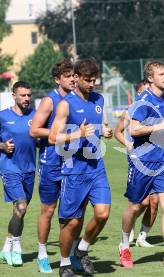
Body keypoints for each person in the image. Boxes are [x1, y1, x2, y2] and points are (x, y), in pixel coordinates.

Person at [49, 58, 113, 277]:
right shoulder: (66, 103)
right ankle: (65, 263)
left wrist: (104, 130)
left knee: (103, 214)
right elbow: (52, 137)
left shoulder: (99, 99)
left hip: (96, 168)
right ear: (75, 78)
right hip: (73, 170)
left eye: (95, 79)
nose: (92, 84)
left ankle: (82, 248)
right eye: (88, 80)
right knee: (72, 222)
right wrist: (77, 133)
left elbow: (96, 126)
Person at [120, 61, 164, 268]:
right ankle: (124, 246)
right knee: (134, 206)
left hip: (163, 160)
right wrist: (160, 126)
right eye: (161, 74)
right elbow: (134, 130)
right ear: (150, 78)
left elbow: (160, 127)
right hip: (142, 162)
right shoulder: (142, 101)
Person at [29, 60, 83, 273]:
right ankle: (42, 253)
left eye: (74, 75)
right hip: (51, 162)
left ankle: (68, 255)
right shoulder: (50, 101)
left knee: (71, 213)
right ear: (57, 79)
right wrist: (59, 134)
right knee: (49, 209)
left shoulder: (78, 99)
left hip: (74, 162)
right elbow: (34, 130)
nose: (72, 78)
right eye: (68, 75)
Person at [114, 80, 160, 248]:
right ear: (139, 93)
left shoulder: (157, 110)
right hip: (138, 160)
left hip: (157, 159)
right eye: (144, 91)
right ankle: (129, 226)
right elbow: (117, 132)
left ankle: (143, 237)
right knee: (141, 202)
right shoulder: (131, 111)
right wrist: (126, 143)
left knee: (154, 201)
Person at [0, 81, 36, 267]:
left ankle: (6, 247)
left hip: (29, 169)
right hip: (9, 168)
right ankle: (17, 247)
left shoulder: (35, 115)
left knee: (19, 211)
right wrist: (2, 146)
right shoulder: (3, 116)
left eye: (29, 95)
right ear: (13, 95)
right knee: (21, 207)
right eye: (22, 95)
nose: (26, 98)